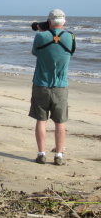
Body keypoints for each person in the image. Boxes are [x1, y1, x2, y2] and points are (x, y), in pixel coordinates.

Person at [29, 9, 76, 165]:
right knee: (59, 122)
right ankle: (59, 156)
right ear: (65, 22)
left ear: (49, 21)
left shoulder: (40, 36)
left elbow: (35, 52)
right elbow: (70, 52)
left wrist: (44, 32)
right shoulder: (71, 37)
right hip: (61, 86)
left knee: (41, 120)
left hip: (41, 84)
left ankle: (41, 153)